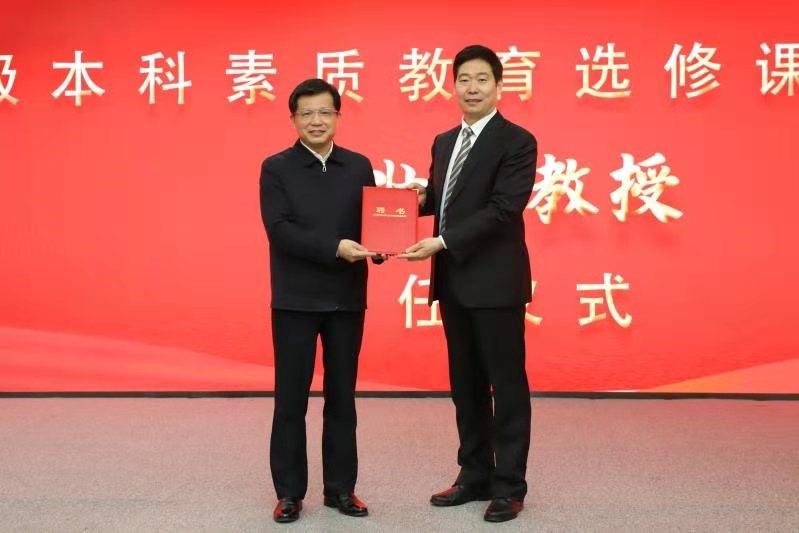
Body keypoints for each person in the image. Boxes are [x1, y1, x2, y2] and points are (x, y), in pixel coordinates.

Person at [399, 45, 538, 523]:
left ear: (499, 86)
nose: (472, 88)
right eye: (464, 79)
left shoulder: (517, 141)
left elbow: (503, 209)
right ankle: (474, 474)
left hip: (496, 283)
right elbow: (445, 197)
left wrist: (441, 241)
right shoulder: (444, 141)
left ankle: (509, 485)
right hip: (454, 281)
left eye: (481, 79)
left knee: (507, 384)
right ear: (453, 85)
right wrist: (408, 203)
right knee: (466, 385)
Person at [259, 78, 380, 524]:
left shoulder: (359, 166)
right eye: (306, 113)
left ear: (338, 116)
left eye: (325, 112)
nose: (316, 120)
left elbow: (372, 224)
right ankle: (289, 493)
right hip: (295, 300)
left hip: (346, 299)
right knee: (291, 400)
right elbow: (280, 230)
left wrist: (383, 245)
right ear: (293, 119)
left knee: (342, 398)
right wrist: (335, 248)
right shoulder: (276, 167)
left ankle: (341, 489)